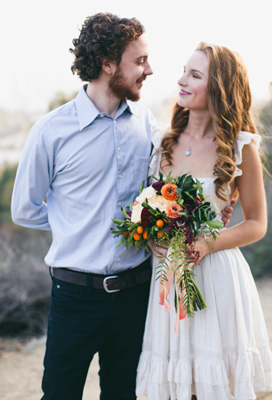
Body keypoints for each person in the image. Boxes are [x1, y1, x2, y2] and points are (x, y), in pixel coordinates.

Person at [10, 13, 233, 400]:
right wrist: (76, 222)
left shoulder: (146, 125)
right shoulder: (50, 132)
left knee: (125, 395)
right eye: (140, 61)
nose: (150, 70)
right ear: (108, 64)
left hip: (136, 294)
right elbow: (24, 209)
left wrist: (209, 210)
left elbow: (166, 189)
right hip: (74, 295)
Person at [135, 42, 272, 400]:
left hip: (216, 279)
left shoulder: (239, 147)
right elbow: (148, 207)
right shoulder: (161, 143)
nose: (181, 80)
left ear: (217, 88)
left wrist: (206, 243)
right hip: (168, 278)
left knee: (213, 387)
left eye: (194, 75)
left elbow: (257, 224)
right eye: (184, 70)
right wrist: (151, 232)